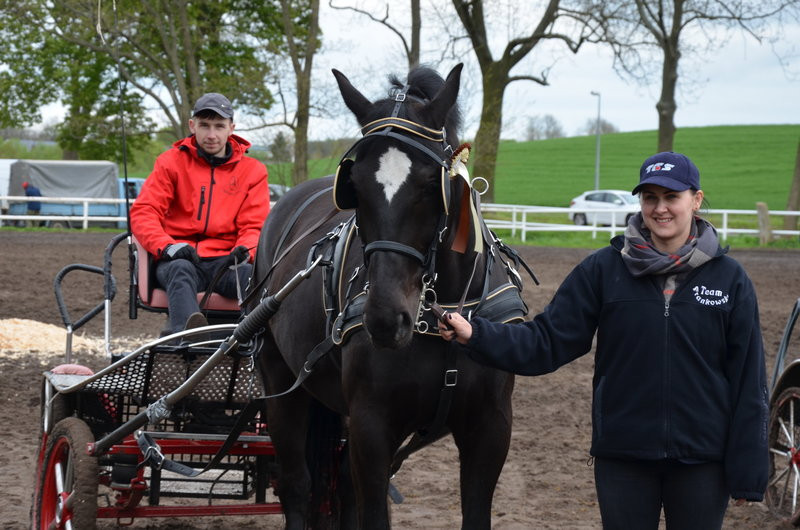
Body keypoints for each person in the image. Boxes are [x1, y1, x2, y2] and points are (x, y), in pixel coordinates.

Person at [440, 152, 768, 529]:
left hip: (703, 460)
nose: (660, 208)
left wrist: (749, 468)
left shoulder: (730, 279)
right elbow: (547, 341)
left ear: (695, 200)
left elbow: (749, 380)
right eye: (650, 198)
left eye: (671, 197)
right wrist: (476, 333)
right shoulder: (602, 270)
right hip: (624, 456)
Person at [130, 92, 269, 335]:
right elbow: (144, 212)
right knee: (180, 270)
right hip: (178, 258)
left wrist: (244, 253)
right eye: (204, 125)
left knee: (252, 277)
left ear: (231, 128)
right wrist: (168, 246)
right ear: (192, 126)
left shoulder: (253, 171)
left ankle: (253, 343)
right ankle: (189, 339)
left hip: (225, 262)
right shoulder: (170, 163)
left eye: (219, 126)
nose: (212, 134)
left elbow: (254, 227)